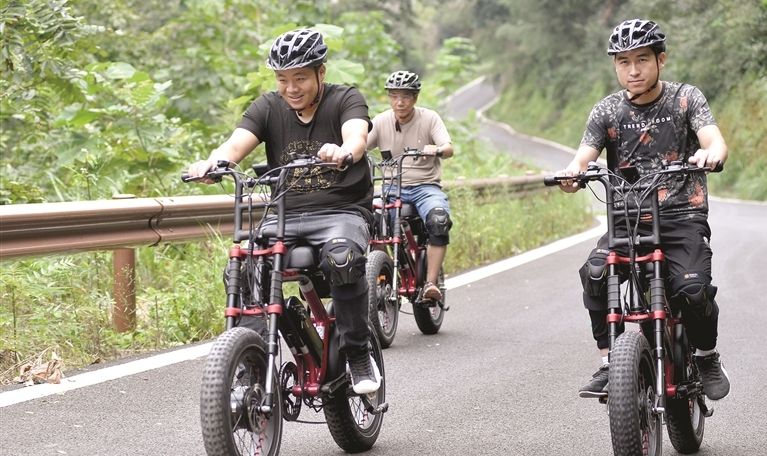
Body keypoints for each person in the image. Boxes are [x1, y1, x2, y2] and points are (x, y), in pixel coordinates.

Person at [187, 29, 380, 394]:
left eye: (300, 78)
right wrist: (214, 164)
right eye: (282, 79)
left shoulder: (346, 99)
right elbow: (233, 144)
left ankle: (357, 353)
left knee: (342, 258)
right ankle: (251, 358)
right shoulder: (267, 107)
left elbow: (358, 135)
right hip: (285, 215)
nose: (290, 88)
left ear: (321, 73)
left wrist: (343, 149)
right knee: (245, 264)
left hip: (341, 212)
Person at [555, 19, 731, 401]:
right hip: (629, 221)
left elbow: (714, 140)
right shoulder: (606, 111)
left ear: (660, 60)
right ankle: (608, 361)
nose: (632, 70)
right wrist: (573, 173)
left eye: (641, 60)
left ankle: (706, 356)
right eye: (623, 62)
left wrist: (710, 154)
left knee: (694, 291)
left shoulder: (686, 98)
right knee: (596, 274)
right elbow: (583, 157)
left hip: (683, 214)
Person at [367, 70, 454, 301]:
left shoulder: (429, 118)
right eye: (394, 96)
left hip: (425, 187)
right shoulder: (381, 121)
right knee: (371, 220)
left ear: (415, 98)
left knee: (439, 220)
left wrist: (435, 149)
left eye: (405, 96)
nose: (399, 102)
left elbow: (448, 148)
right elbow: (359, 145)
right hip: (391, 187)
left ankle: (430, 284)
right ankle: (378, 273)